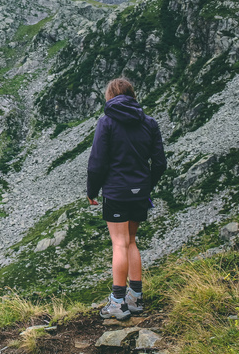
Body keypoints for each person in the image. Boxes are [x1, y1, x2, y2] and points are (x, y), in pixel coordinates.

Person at [87, 78, 166, 320]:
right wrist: (145, 186)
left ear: (110, 96)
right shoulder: (149, 122)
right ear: (132, 95)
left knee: (119, 243)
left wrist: (92, 191)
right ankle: (135, 297)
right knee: (132, 241)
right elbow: (160, 163)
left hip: (117, 192)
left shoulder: (107, 121)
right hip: (139, 192)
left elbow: (97, 162)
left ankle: (118, 302)